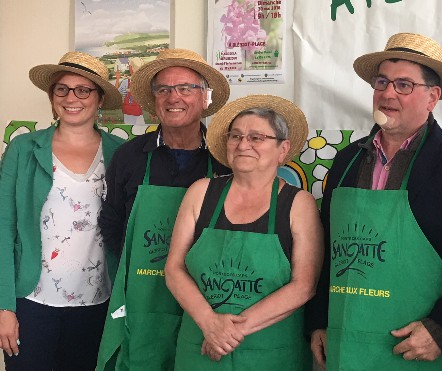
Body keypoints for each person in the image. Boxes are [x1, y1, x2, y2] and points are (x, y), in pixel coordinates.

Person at [306, 32, 442, 370]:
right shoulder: (346, 161)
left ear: (432, 97)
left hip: (428, 350)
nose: (387, 93)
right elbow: (327, 249)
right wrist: (319, 320)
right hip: (350, 345)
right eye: (381, 82)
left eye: (404, 85)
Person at [164, 94, 323, 370]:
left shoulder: (299, 204)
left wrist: (227, 332)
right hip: (200, 349)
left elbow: (304, 286)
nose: (243, 145)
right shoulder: (200, 193)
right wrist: (210, 323)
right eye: (235, 136)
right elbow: (174, 269)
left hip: (270, 355)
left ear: (282, 149)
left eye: (256, 138)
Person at [96, 49, 232, 371]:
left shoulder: (225, 159)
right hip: (142, 300)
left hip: (206, 300)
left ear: (205, 98)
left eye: (186, 88)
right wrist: (134, 271)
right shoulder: (129, 157)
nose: (175, 97)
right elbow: (111, 220)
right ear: (154, 100)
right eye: (164, 89)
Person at [0, 51, 125, 370]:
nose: (72, 97)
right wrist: (4, 307)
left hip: (98, 304)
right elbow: (4, 227)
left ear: (99, 100)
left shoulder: (119, 154)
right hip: (31, 303)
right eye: (62, 89)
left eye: (83, 90)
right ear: (52, 97)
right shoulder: (23, 149)